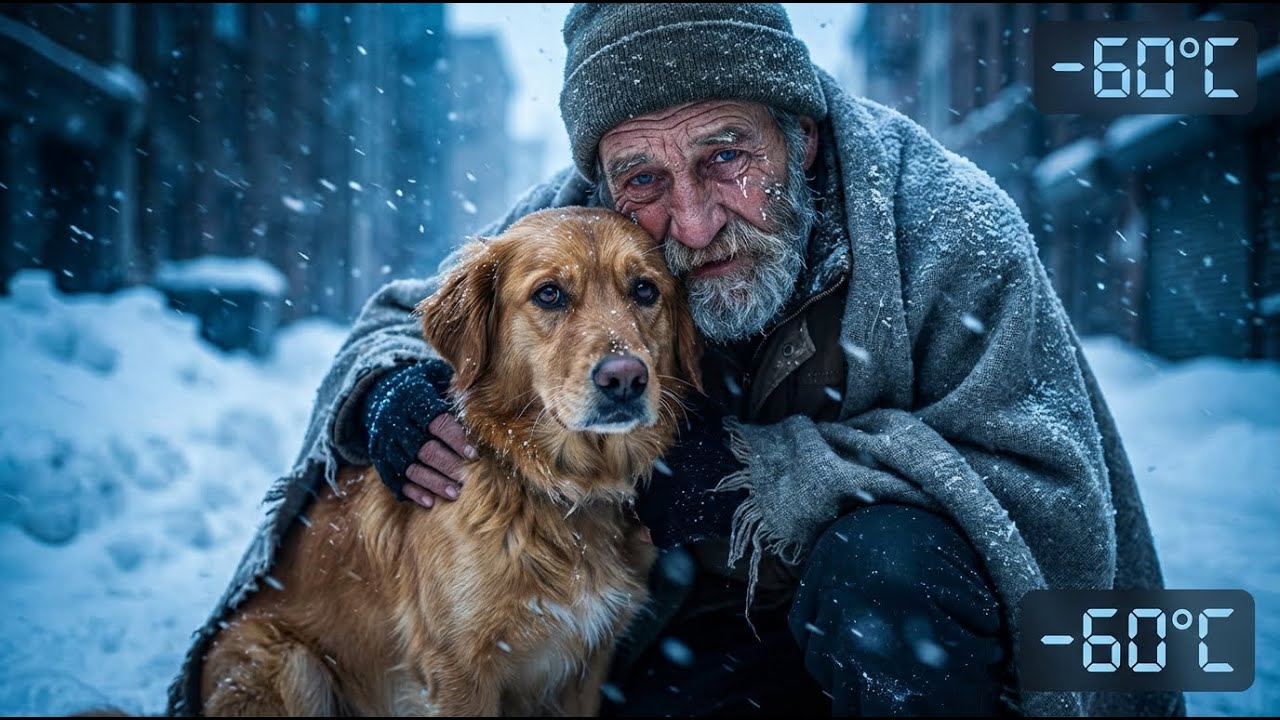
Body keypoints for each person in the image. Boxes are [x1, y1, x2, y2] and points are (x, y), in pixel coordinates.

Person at [168, 4, 1185, 717]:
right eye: (644, 178)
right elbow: (413, 313)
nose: (691, 221)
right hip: (709, 634)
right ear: (602, 171)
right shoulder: (591, 209)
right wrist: (390, 391)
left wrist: (762, 475)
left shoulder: (951, 230)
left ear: (804, 136)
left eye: (727, 157)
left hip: (905, 646)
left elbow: (1043, 487)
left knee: (887, 575)